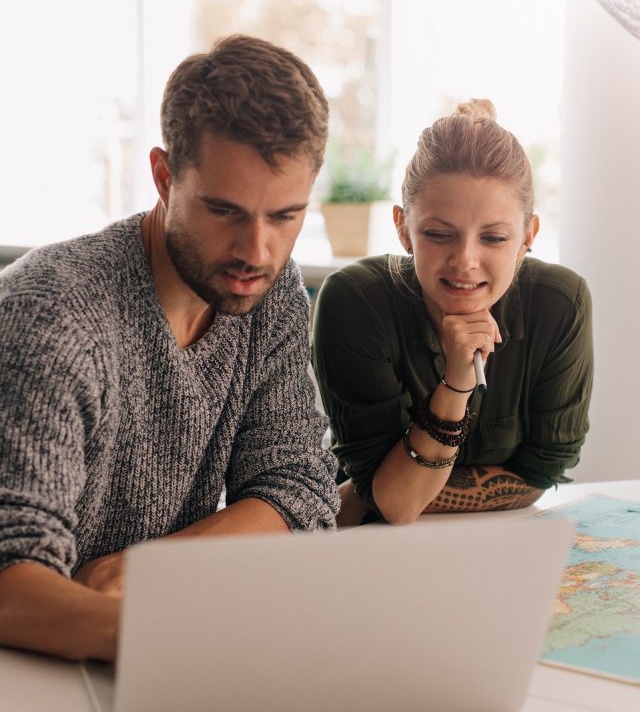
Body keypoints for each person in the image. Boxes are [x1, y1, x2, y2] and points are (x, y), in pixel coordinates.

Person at [0, 35, 340, 662]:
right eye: (225, 211)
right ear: (163, 176)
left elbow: (297, 489)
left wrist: (149, 571)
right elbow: (8, 575)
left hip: (139, 652)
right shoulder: (56, 313)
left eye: (285, 216)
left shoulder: (272, 293)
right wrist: (163, 637)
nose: (257, 252)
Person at [313, 99, 593, 527]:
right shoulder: (354, 301)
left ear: (528, 236)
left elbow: (545, 470)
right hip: (370, 550)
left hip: (498, 547)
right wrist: (456, 385)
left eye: (494, 238)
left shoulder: (560, 303)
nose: (465, 260)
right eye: (439, 234)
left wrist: (384, 491)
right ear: (403, 228)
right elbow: (396, 506)